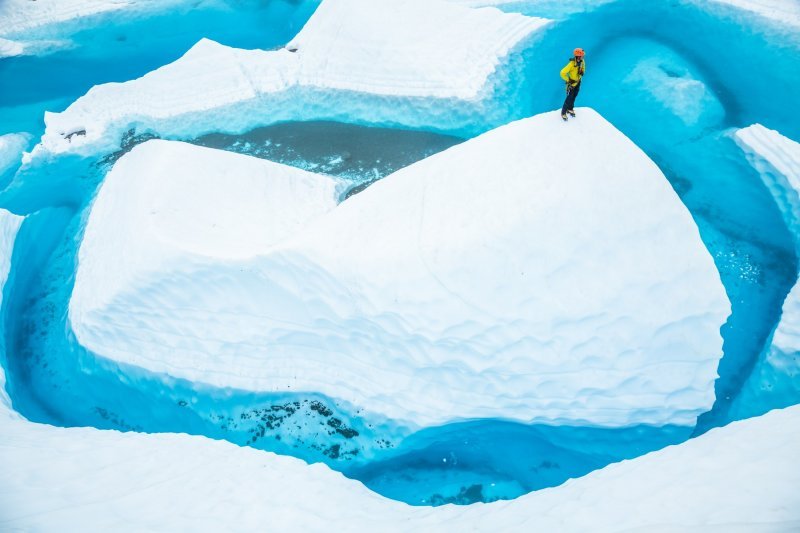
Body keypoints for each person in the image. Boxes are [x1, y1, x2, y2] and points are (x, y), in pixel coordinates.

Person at [560, 48, 586, 120]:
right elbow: (562, 73)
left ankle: (570, 109)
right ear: (578, 56)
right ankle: (563, 112)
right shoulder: (571, 64)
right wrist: (568, 80)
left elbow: (584, 67)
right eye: (581, 56)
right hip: (571, 84)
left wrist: (582, 72)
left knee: (574, 96)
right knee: (569, 98)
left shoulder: (582, 61)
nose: (583, 57)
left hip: (578, 82)